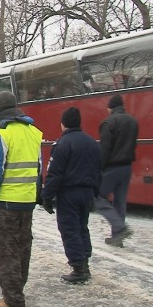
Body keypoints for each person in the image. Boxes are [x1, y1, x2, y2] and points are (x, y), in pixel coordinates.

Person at [0, 91, 43, 307]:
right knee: (22, 248)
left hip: (4, 203)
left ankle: (13, 299)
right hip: (27, 201)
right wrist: (36, 195)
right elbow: (39, 169)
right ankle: (18, 289)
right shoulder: (33, 132)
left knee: (4, 251)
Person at [41, 107, 101, 283]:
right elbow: (98, 170)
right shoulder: (92, 143)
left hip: (69, 193)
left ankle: (78, 267)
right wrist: (96, 192)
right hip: (87, 192)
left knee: (69, 229)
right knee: (83, 227)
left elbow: (55, 173)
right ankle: (85, 261)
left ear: (63, 123)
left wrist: (47, 196)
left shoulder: (62, 144)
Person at [95, 94, 139, 247]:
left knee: (97, 197)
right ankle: (117, 237)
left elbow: (105, 149)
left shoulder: (108, 122)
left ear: (110, 107)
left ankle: (120, 228)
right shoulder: (133, 121)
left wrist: (99, 168)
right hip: (127, 166)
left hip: (112, 167)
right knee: (120, 202)